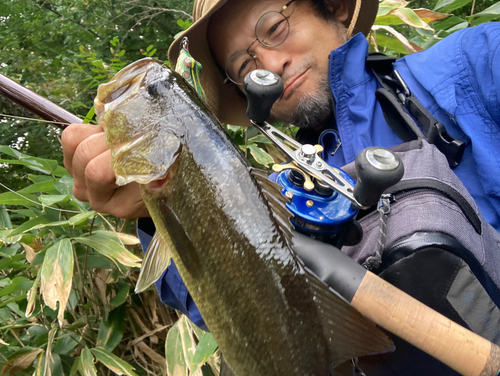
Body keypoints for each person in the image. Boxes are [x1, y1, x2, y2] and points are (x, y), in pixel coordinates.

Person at [62, 0, 500, 373]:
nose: (271, 64)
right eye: (244, 65)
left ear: (335, 6)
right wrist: (158, 214)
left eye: (274, 27)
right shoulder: (276, 191)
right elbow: (215, 288)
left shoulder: (473, 63)